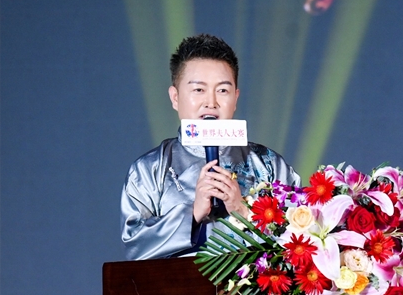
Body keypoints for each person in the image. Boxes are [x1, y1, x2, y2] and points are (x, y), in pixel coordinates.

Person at [121, 33, 301, 261]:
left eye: (222, 90)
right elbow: (135, 245)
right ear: (175, 97)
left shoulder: (269, 165)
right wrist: (192, 214)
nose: (211, 102)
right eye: (199, 90)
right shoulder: (149, 170)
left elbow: (301, 240)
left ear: (235, 98)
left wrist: (244, 211)